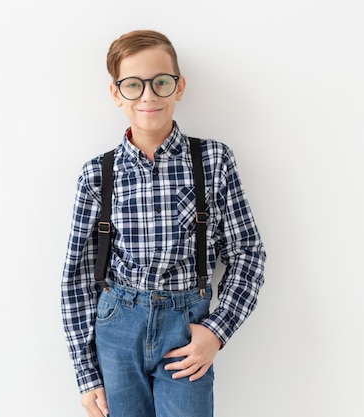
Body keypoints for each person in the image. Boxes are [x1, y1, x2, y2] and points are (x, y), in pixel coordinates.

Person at [61, 29, 266, 417]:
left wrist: (216, 331)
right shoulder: (97, 174)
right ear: (116, 93)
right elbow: (78, 277)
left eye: (161, 82)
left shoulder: (213, 161)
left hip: (186, 328)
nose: (148, 96)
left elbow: (247, 254)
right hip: (117, 329)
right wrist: (87, 375)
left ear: (179, 86)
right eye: (133, 85)